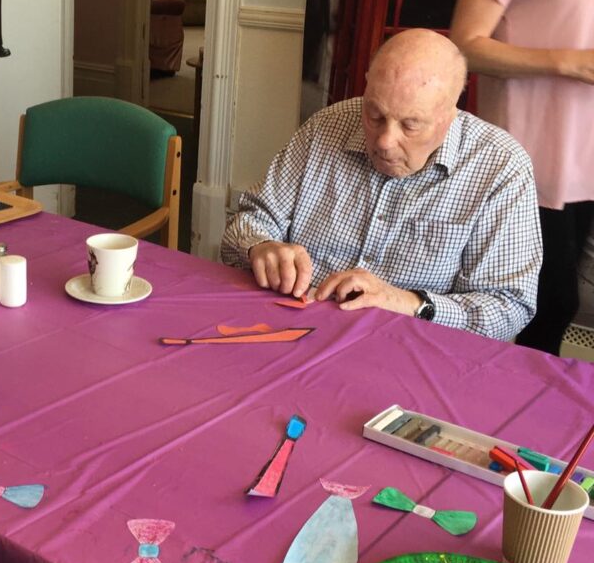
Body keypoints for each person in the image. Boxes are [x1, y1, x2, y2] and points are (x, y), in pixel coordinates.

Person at [221, 28, 542, 342]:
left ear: (450, 113)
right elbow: (248, 222)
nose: (385, 141)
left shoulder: (500, 167)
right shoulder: (325, 127)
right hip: (289, 329)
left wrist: (409, 303)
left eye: (410, 125)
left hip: (408, 350)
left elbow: (509, 306)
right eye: (374, 115)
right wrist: (261, 247)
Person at [450, 0, 594, 355]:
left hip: (586, 164)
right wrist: (569, 62)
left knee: (560, 305)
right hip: (532, 163)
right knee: (551, 303)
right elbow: (464, 46)